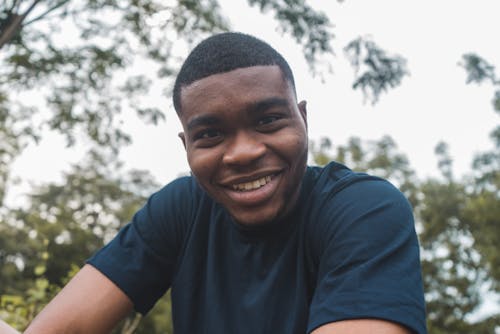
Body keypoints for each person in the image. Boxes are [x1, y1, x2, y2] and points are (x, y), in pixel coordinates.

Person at [23, 32, 426, 333]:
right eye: (211, 135)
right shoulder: (181, 210)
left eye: (268, 120)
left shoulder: (363, 209)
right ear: (186, 145)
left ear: (302, 117)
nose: (243, 153)